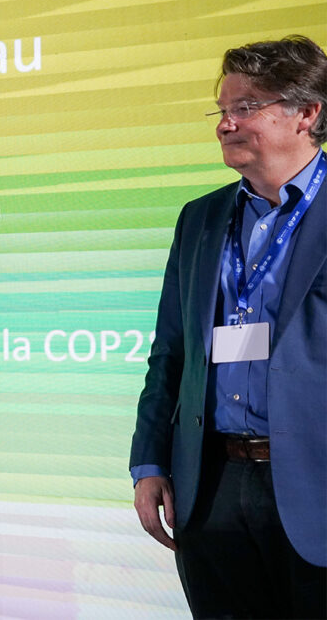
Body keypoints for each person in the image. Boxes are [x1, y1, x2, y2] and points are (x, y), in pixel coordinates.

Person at [130, 35, 327, 618]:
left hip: (315, 486)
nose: (225, 124)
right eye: (222, 110)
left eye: (245, 108)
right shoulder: (201, 217)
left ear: (307, 113)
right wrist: (150, 462)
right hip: (210, 486)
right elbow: (170, 353)